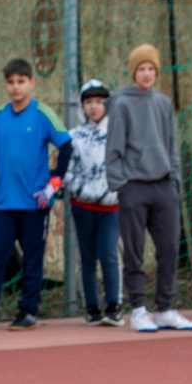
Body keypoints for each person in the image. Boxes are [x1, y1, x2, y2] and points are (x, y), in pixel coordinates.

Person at [0, 58, 71, 332]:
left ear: (31, 83)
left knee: (32, 259)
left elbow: (66, 146)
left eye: (21, 82)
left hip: (35, 204)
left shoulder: (43, 113)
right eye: (11, 82)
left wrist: (54, 183)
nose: (15, 87)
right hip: (3, 203)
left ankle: (28, 312)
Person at [107, 44, 192, 332]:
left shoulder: (164, 103)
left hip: (163, 186)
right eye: (141, 69)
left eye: (151, 69)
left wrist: (173, 178)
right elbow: (114, 148)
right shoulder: (121, 103)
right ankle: (138, 309)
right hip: (133, 187)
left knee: (169, 248)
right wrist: (120, 184)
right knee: (134, 251)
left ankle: (166, 308)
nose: (146, 74)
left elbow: (170, 143)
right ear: (134, 72)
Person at [67, 78, 121, 325]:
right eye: (88, 102)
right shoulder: (74, 137)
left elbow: (125, 168)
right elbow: (67, 171)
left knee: (109, 254)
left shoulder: (118, 134)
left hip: (111, 208)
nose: (94, 106)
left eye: (99, 101)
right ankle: (91, 306)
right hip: (83, 207)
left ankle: (114, 305)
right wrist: (84, 191)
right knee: (87, 258)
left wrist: (113, 193)